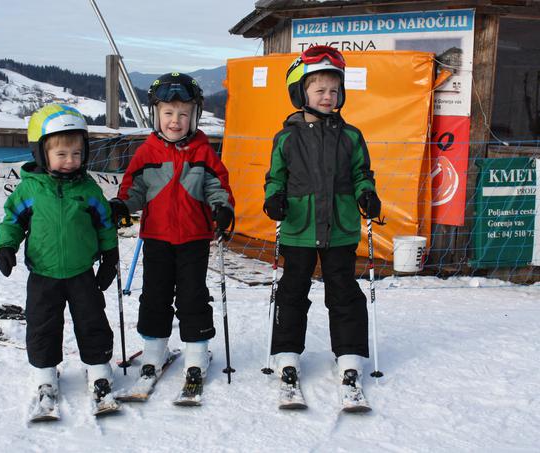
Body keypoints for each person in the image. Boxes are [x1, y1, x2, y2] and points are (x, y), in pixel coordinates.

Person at [263, 46, 382, 408]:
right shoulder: (286, 138)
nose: (328, 96)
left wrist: (367, 195)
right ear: (301, 93)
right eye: (319, 90)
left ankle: (349, 358)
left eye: (334, 90)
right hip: (300, 227)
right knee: (292, 291)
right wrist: (274, 199)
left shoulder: (351, 136)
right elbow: (275, 178)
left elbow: (363, 174)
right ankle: (286, 355)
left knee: (344, 292)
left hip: (341, 228)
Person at [110, 72, 235, 383]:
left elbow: (217, 186)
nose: (175, 121)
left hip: (194, 238)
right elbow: (134, 189)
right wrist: (122, 205)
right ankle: (154, 351)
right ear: (156, 114)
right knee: (154, 295)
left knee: (193, 296)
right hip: (156, 238)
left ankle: (196, 352)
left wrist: (223, 209)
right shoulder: (146, 153)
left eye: (183, 114)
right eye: (168, 113)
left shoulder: (204, 152)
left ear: (194, 116)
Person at [0, 103, 119, 405]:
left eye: (76, 154)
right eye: (61, 154)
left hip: (81, 273)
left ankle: (99, 368)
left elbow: (104, 223)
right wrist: (6, 246)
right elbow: (12, 220)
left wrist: (110, 256)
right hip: (43, 274)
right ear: (41, 153)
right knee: (43, 324)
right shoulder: (31, 191)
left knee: (92, 321)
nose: (69, 161)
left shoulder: (88, 190)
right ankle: (45, 373)